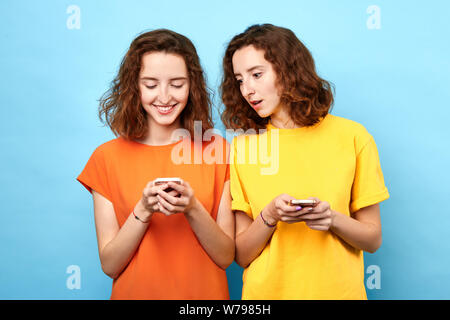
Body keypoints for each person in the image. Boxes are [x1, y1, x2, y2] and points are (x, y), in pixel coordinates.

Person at [220, 24, 389, 299]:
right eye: (239, 80)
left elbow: (372, 240)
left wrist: (331, 218)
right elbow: (241, 254)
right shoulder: (243, 147)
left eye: (256, 74)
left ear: (288, 70)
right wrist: (270, 216)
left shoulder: (354, 137)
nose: (247, 89)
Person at [77, 29, 234, 299]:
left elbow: (225, 257)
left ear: (192, 86)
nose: (164, 97)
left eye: (177, 84)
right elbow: (110, 265)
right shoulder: (106, 158)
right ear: (134, 87)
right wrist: (143, 209)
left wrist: (192, 207)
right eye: (150, 85)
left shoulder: (219, 151)